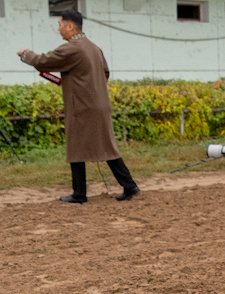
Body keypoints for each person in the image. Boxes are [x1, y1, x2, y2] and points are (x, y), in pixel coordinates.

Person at [17, 10, 139, 204]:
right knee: (105, 147)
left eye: (60, 25)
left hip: (82, 107)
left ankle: (81, 193)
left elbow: (43, 62)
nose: (58, 30)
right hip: (98, 104)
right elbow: (105, 74)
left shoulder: (72, 48)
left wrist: (26, 54)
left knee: (77, 147)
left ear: (70, 26)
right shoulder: (94, 48)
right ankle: (126, 186)